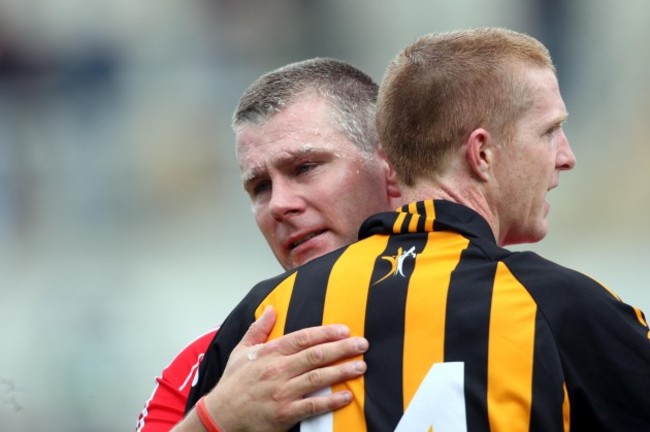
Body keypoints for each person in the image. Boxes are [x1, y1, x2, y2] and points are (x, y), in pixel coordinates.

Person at [186, 28, 650, 431]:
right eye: (549, 132)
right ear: (481, 154)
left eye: (305, 168)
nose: (565, 156)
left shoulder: (265, 318)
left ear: (385, 166)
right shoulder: (562, 308)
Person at [136, 58, 400, 431]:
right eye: (260, 186)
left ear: (390, 165)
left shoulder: (490, 305)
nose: (278, 204)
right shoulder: (216, 364)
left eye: (305, 167)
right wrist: (216, 420)